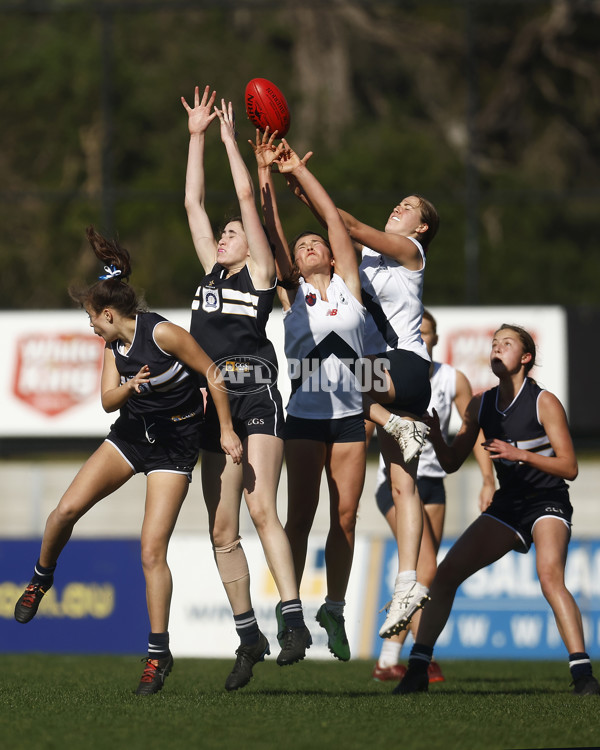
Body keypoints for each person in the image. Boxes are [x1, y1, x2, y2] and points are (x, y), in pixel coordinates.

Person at [14, 226, 242, 696]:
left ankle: (157, 655)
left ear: (110, 313)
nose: (90, 325)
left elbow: (215, 374)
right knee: (64, 511)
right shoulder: (112, 347)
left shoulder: (163, 334)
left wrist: (224, 429)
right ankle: (40, 579)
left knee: (150, 551)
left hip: (175, 446)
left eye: (92, 318)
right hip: (132, 436)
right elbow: (106, 402)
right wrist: (130, 386)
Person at [181, 85, 311, 691]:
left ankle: (292, 619)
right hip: (211, 401)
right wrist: (197, 137)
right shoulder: (210, 268)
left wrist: (231, 140)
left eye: (236, 231)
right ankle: (246, 633)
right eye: (227, 233)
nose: (228, 233)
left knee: (262, 507)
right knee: (220, 527)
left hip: (255, 393)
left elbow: (237, 196)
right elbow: (193, 204)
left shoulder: (257, 271)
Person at [396, 324, 600, 697]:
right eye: (493, 344)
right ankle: (417, 670)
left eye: (506, 344)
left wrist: (520, 454)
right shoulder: (481, 403)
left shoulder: (544, 402)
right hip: (509, 505)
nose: (496, 348)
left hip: (547, 501)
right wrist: (437, 435)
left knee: (549, 575)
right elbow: (452, 463)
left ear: (526, 358)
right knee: (445, 575)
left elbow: (570, 467)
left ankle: (583, 675)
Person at [250, 130, 367, 661]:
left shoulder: (348, 285)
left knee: (346, 518)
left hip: (350, 417)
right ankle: (291, 616)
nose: (309, 244)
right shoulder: (292, 292)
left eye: (313, 241)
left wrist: (297, 168)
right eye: (301, 247)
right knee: (299, 518)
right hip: (304, 416)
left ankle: (334, 610)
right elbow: (272, 234)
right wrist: (266, 175)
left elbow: (333, 218)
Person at [317, 192, 440, 640]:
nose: (397, 207)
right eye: (399, 202)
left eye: (409, 207)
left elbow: (344, 221)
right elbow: (337, 229)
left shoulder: (412, 252)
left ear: (421, 227)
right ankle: (408, 584)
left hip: (399, 366)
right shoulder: (368, 259)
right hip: (386, 377)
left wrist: (301, 175)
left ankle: (391, 422)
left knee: (324, 371)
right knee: (403, 485)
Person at [372, 309, 495, 683]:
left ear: (436, 339)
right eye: (416, 332)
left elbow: (473, 430)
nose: (422, 338)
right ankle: (418, 657)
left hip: (432, 481)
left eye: (427, 333)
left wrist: (487, 478)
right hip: (396, 481)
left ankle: (388, 660)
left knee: (427, 569)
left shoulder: (450, 378)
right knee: (424, 566)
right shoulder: (388, 374)